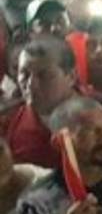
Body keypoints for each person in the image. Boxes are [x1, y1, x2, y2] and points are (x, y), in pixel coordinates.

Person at [3, 37, 85, 168]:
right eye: (24, 74)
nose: (31, 85)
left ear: (71, 77)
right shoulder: (7, 122)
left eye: (43, 76)